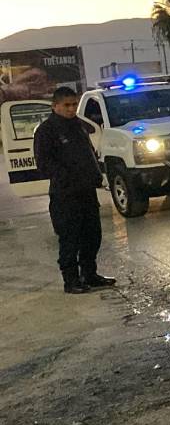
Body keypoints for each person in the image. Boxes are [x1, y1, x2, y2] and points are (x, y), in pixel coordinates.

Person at [33, 86, 115, 294]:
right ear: (55, 106)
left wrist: (96, 175)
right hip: (65, 195)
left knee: (92, 235)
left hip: (86, 192)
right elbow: (44, 163)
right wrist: (68, 177)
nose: (71, 109)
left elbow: (88, 154)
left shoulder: (78, 125)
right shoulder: (46, 131)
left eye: (74, 104)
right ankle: (71, 280)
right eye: (66, 105)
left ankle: (90, 274)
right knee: (70, 239)